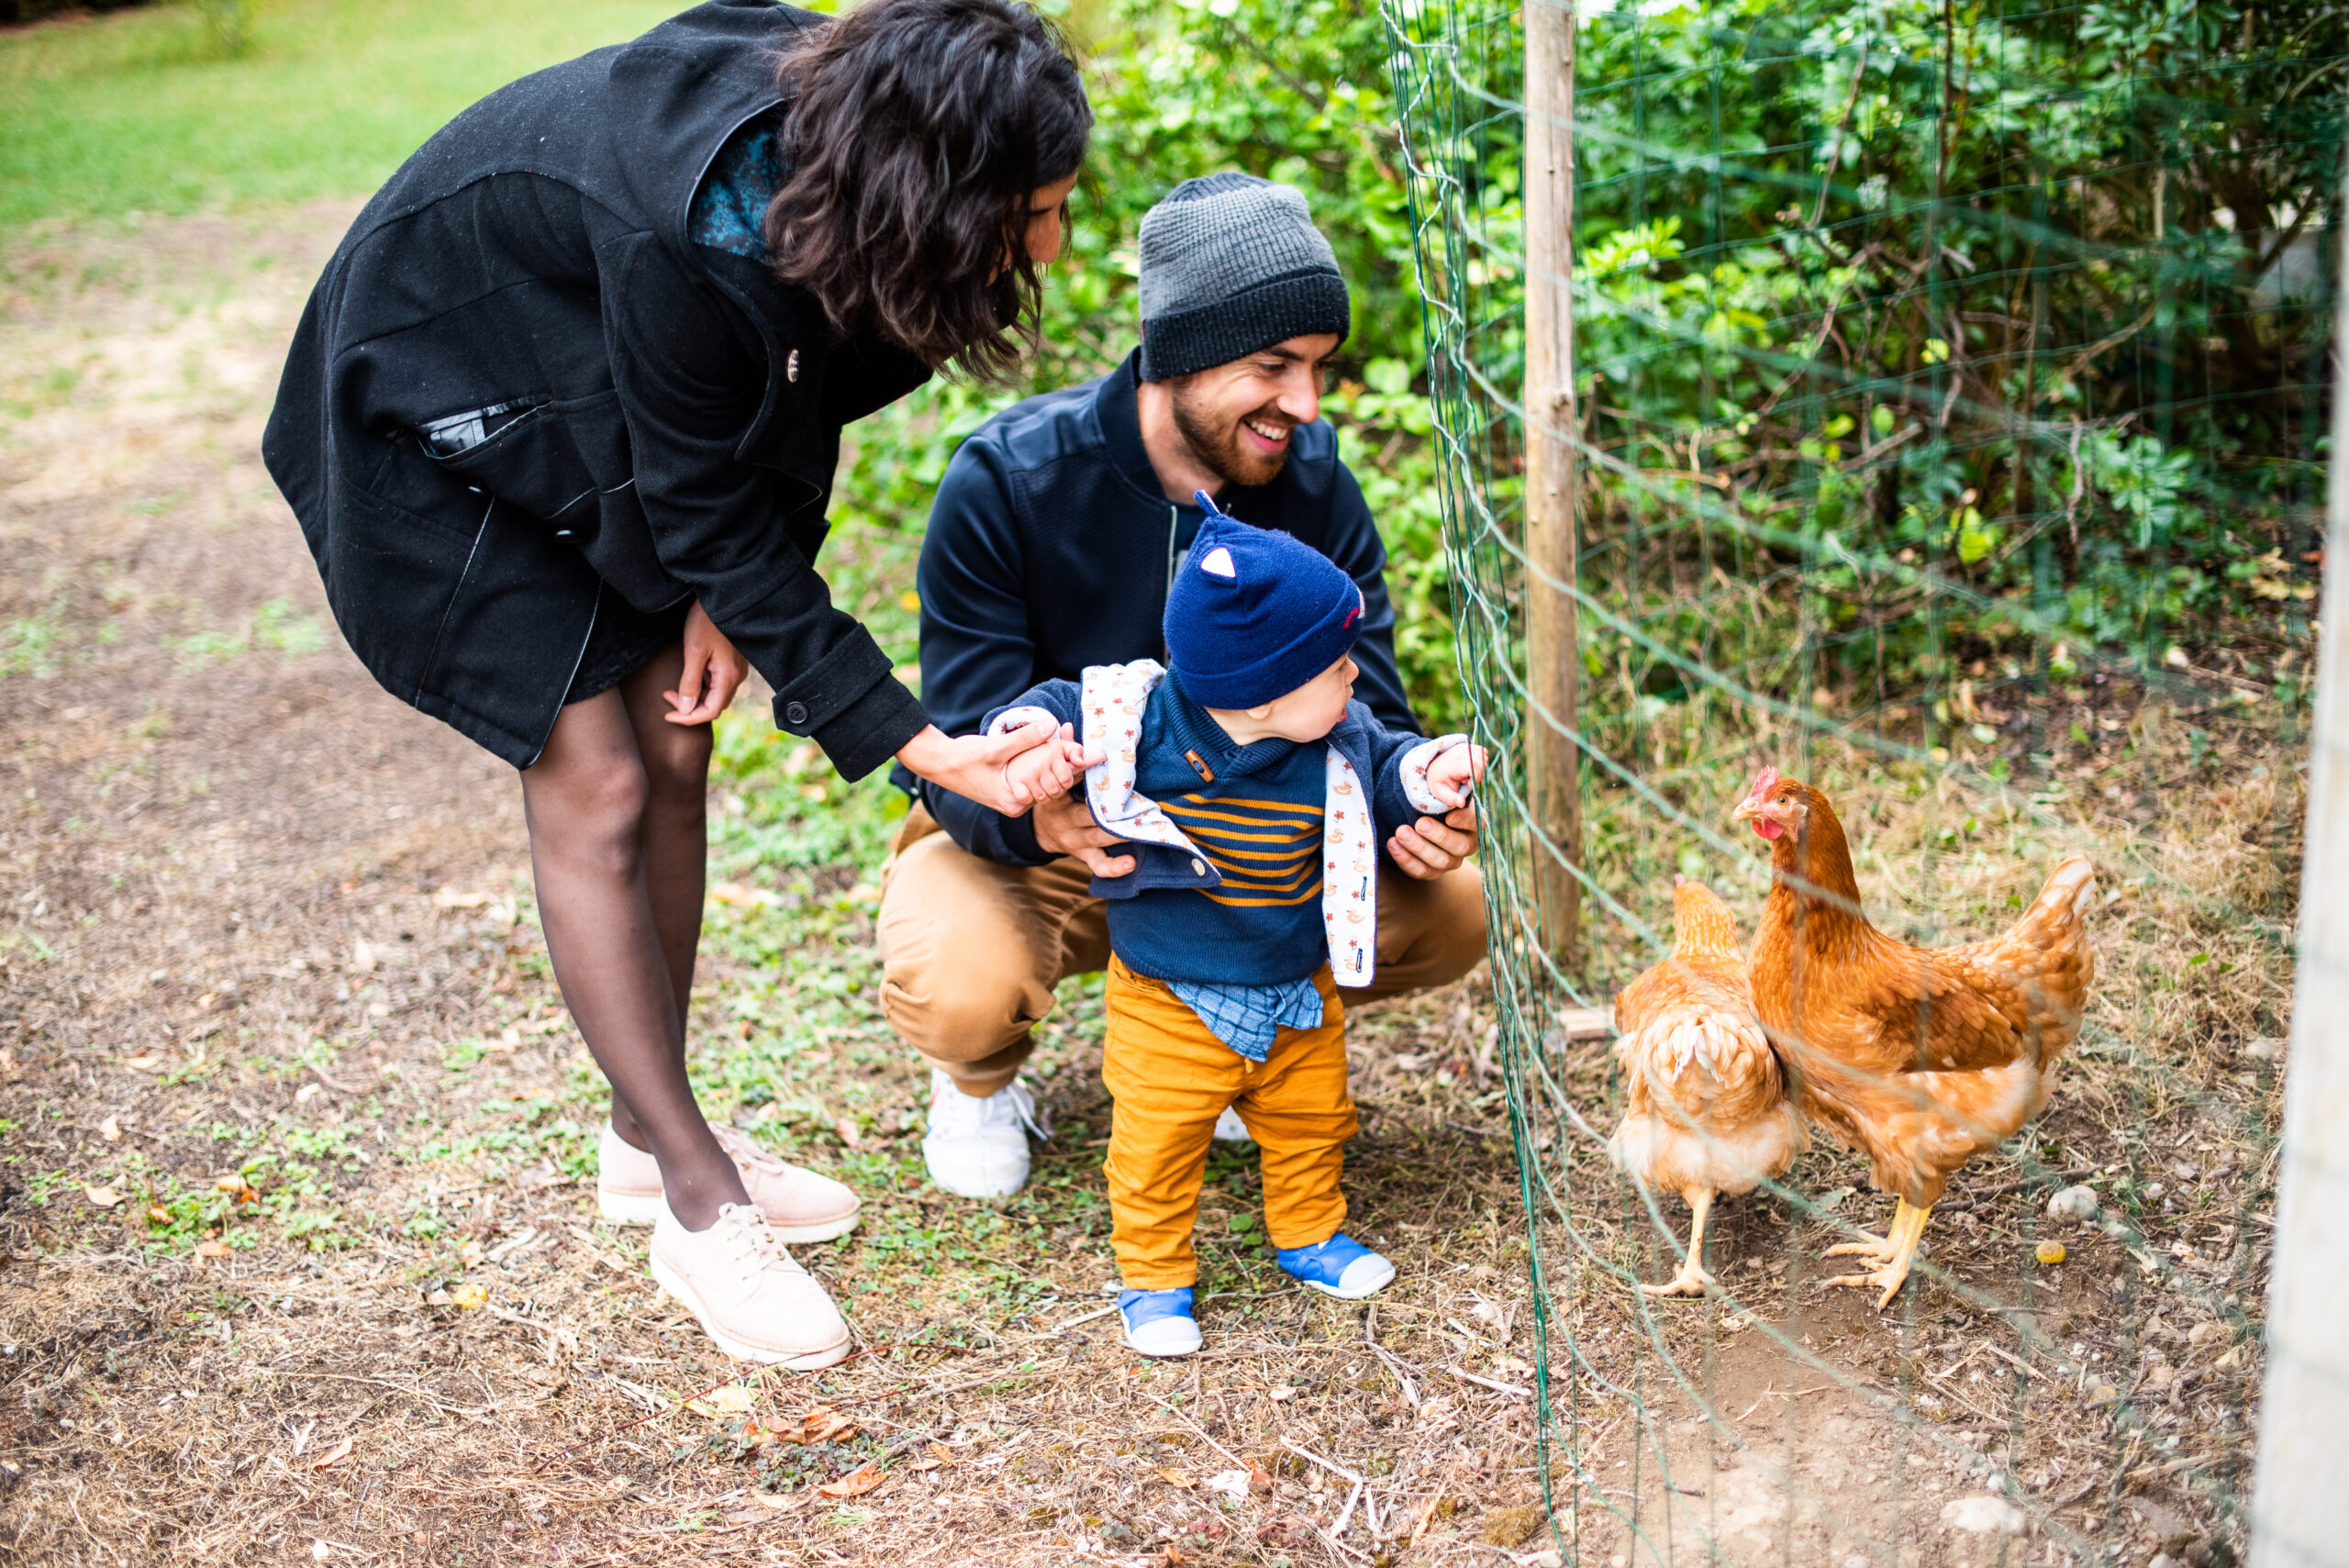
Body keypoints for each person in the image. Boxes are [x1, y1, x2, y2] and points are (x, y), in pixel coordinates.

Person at [262, 0, 1093, 1366]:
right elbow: (714, 472)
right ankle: (699, 1214)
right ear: (934, 193)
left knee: (678, 741)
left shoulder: (860, 174)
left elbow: (791, 399)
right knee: (595, 783)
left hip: (592, 386)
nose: (1051, 243)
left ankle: (649, 1138)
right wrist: (919, 742)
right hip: (428, 404)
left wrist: (729, 584)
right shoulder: (696, 226)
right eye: (1034, 210)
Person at [878, 172, 1489, 1197]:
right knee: (960, 977)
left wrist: (1411, 804)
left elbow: (1368, 695)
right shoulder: (1007, 481)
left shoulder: (1313, 482)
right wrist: (1046, 817)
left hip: (1264, 843)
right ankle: (978, 1079)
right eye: (1272, 365)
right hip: (1068, 848)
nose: (1303, 402)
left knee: (1452, 908)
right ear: (1178, 354)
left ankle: (1245, 1040)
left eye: (1318, 367)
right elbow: (956, 746)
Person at [985, 506, 1486, 1355]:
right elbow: (1069, 703)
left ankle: (1310, 1233)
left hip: (1294, 980)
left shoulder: (1336, 735)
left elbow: (1390, 777)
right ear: (1264, 685)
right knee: (1158, 1144)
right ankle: (1152, 1277)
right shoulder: (1139, 725)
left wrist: (1429, 775)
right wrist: (1025, 731)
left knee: (1312, 1119)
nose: (1356, 677)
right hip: (1167, 997)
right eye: (1338, 664)